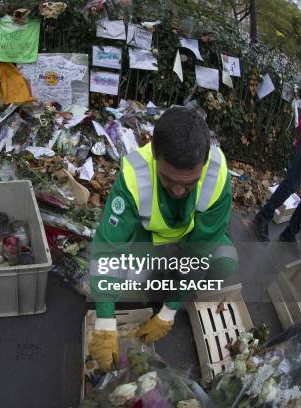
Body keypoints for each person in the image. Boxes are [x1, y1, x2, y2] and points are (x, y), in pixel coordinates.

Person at [87, 106, 238, 371]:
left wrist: (170, 310)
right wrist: (104, 322)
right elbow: (107, 248)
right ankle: (154, 282)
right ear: (155, 154)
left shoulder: (217, 176)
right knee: (128, 284)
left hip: (188, 243)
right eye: (169, 179)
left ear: (203, 161)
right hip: (151, 242)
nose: (180, 190)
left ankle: (168, 291)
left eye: (190, 182)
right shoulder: (135, 175)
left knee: (225, 260)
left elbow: (201, 251)